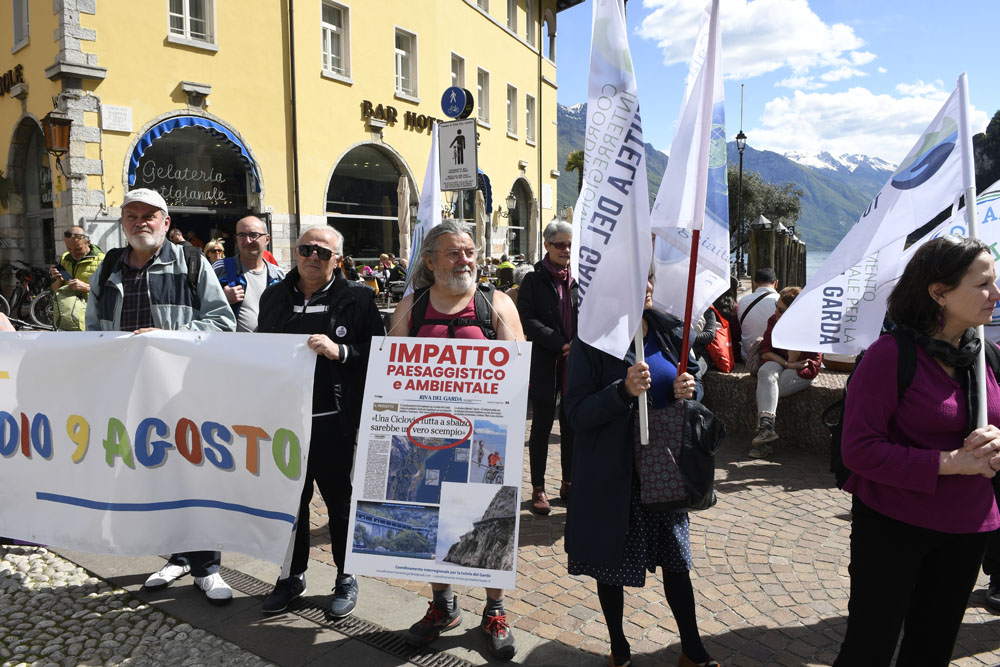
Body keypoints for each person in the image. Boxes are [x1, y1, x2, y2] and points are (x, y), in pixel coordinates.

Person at [834, 236, 1000, 666]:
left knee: (931, 650)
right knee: (868, 647)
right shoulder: (889, 356)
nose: (995, 294)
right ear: (939, 291)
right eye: (983, 284)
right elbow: (859, 450)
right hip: (893, 526)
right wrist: (950, 464)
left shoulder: (988, 357)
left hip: (968, 529)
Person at [85, 188, 236, 604]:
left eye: (150, 216)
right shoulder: (110, 267)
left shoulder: (190, 262)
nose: (140, 223)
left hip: (183, 390)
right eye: (131, 216)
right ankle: (177, 556)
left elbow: (222, 322)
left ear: (166, 222)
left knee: (196, 472)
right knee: (155, 473)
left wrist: (168, 337)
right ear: (123, 223)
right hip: (132, 391)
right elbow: (93, 329)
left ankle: (208, 567)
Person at [564, 272, 720, 667]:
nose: (646, 286)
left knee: (676, 563)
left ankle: (692, 650)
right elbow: (576, 413)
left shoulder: (666, 329)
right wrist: (621, 392)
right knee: (610, 567)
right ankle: (619, 649)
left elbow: (693, 381)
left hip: (662, 469)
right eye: (634, 277)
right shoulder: (591, 339)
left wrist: (689, 389)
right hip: (613, 475)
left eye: (648, 278)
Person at [389, 219, 524, 660]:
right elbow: (392, 375)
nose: (465, 259)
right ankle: (443, 605)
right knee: (432, 525)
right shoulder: (411, 307)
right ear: (430, 261)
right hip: (426, 444)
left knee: (492, 526)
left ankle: (495, 610)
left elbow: (518, 378)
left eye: (469, 251)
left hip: (484, 443)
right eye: (453, 252)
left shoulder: (497, 305)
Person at [256, 225, 384, 617]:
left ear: (337, 260)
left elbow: (380, 354)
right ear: (295, 252)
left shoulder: (358, 299)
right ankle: (291, 576)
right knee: (291, 503)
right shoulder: (274, 296)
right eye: (306, 249)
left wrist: (341, 351)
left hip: (334, 421)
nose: (313, 256)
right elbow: (258, 350)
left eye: (323, 252)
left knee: (339, 503)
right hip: (286, 422)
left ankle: (347, 575)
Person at [517, 220, 578, 514]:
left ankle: (569, 481)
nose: (566, 250)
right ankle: (538, 487)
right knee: (541, 426)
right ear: (547, 245)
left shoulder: (578, 278)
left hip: (576, 363)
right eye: (560, 245)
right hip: (545, 362)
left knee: (571, 425)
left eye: (569, 244)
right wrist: (559, 343)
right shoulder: (533, 279)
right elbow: (527, 319)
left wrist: (578, 345)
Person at [748, 286, 821, 458]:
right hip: (781, 362)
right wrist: (787, 364)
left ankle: (764, 435)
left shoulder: (809, 326)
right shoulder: (774, 320)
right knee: (765, 371)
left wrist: (792, 356)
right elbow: (766, 351)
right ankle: (766, 430)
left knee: (768, 389)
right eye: (776, 306)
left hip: (803, 368)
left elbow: (803, 361)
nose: (776, 312)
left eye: (781, 310)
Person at [213, 216, 284, 332]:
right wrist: (222, 298)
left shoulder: (278, 275)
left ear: (267, 239)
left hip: (270, 345)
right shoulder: (220, 268)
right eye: (242, 235)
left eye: (253, 235)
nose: (247, 241)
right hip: (231, 347)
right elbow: (200, 306)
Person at [48, 225, 104, 331]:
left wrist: (87, 287)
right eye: (69, 249)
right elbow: (54, 290)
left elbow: (111, 293)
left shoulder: (102, 261)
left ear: (88, 242)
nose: (73, 253)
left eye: (78, 249)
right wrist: (58, 279)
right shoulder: (65, 258)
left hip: (91, 322)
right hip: (66, 321)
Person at [736, 268, 779, 361]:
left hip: (748, 356)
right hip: (775, 358)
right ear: (776, 283)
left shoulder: (742, 301)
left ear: (755, 283)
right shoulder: (780, 301)